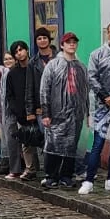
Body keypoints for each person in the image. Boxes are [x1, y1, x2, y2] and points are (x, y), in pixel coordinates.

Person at [79, 21, 110, 197]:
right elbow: (92, 77)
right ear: (108, 33)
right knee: (98, 143)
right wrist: (105, 96)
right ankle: (89, 180)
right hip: (101, 106)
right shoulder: (97, 54)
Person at [40, 33, 88, 188]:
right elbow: (45, 89)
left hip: (76, 113)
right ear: (62, 45)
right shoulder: (53, 65)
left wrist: (87, 112)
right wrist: (46, 113)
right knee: (53, 145)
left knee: (71, 145)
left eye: (74, 42)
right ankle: (51, 175)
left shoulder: (81, 67)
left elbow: (85, 91)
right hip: (57, 113)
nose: (72, 45)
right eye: (68, 42)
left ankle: (66, 175)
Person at [3, 40, 31, 179]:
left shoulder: (34, 68)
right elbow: (10, 95)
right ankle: (21, 169)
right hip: (18, 112)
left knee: (34, 140)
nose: (19, 53)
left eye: (21, 50)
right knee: (19, 140)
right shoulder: (12, 74)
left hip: (36, 110)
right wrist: (17, 111)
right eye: (16, 52)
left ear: (27, 50)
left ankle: (36, 168)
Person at [25, 27, 57, 130]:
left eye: (44, 37)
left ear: (49, 39)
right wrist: (30, 112)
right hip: (41, 108)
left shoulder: (59, 58)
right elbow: (29, 87)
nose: (42, 40)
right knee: (45, 137)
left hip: (59, 106)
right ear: (35, 41)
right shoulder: (32, 63)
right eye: (39, 38)